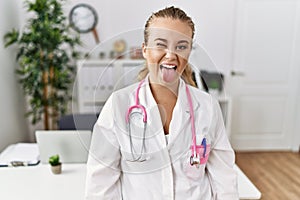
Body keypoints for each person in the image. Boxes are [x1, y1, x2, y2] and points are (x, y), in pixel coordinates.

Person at [85, 6, 238, 200]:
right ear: (145, 50)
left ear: (189, 51)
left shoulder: (207, 106)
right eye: (161, 44)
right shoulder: (119, 104)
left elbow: (224, 178)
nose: (171, 55)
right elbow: (100, 183)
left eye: (181, 46)